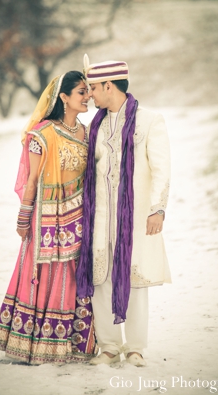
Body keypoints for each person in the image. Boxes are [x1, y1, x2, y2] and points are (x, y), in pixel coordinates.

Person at [0, 71, 97, 365]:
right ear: (63, 97)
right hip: (47, 219)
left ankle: (72, 346)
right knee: (45, 275)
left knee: (75, 277)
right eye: (81, 92)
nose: (88, 96)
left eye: (88, 91)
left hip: (79, 218)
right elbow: (33, 181)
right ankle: (37, 346)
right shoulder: (42, 134)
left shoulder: (86, 133)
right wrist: (23, 218)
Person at [76, 55, 171, 367]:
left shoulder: (149, 120)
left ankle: (136, 348)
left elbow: (161, 169)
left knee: (134, 280)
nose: (89, 94)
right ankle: (108, 347)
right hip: (101, 217)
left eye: (92, 87)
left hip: (136, 216)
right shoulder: (96, 126)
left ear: (108, 85)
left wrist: (157, 209)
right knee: (101, 277)